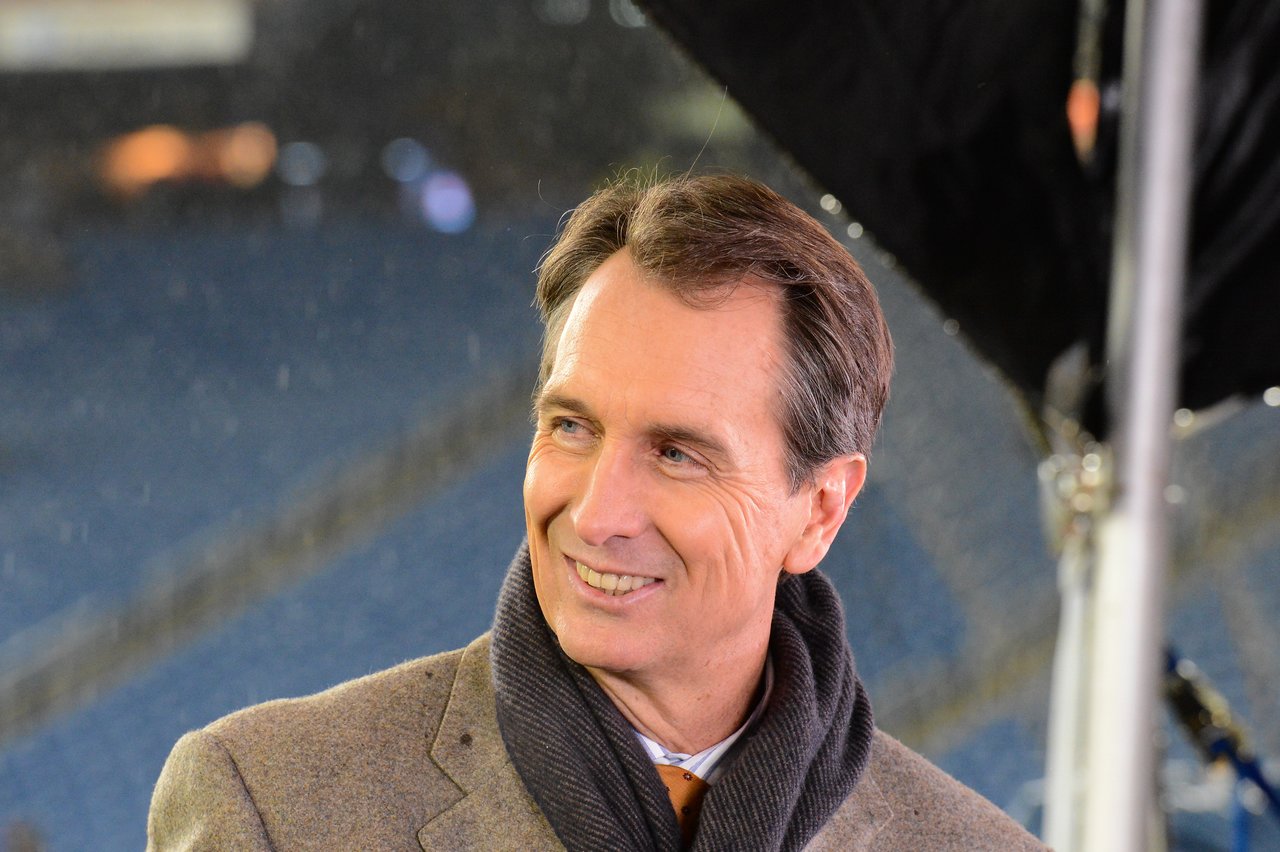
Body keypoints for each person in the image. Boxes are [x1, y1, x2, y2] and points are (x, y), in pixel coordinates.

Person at [147, 174, 1045, 850]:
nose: (598, 511)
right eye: (570, 427)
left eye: (677, 453)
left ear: (817, 511)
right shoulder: (270, 807)